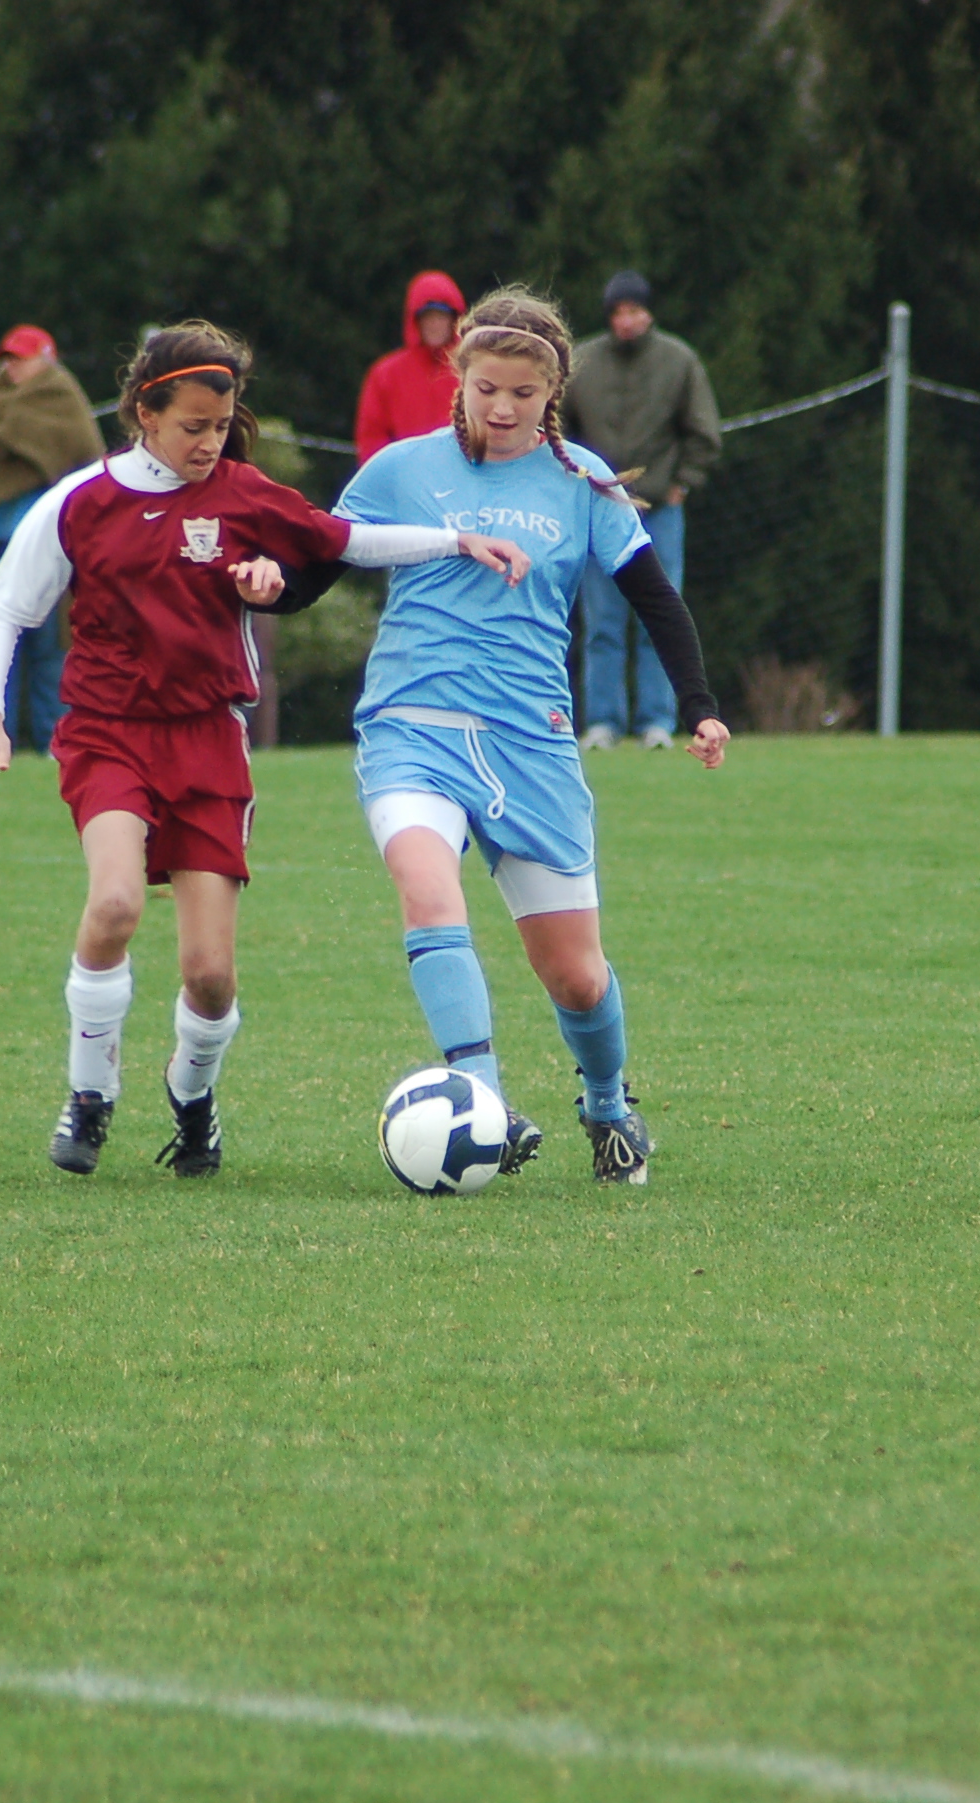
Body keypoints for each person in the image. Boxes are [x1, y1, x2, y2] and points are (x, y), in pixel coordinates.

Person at [0, 320, 527, 1179]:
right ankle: (89, 1095)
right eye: (193, 426)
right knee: (114, 904)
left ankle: (192, 1099)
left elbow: (345, 539)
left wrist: (454, 542)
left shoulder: (240, 493)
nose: (209, 443)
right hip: (109, 732)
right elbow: (7, 611)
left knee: (211, 976)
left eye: (221, 427)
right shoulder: (81, 502)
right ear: (145, 414)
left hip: (207, 741)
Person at [310, 285, 728, 1185]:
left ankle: (608, 1105)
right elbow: (324, 556)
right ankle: (487, 1109)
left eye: (523, 394)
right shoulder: (400, 469)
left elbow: (655, 599)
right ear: (459, 378)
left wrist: (698, 704)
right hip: (412, 726)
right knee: (429, 894)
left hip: (531, 744)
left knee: (577, 977)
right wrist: (266, 576)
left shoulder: (584, 482)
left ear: (554, 393)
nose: (501, 409)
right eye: (485, 389)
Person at [563, 271, 721, 750]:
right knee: (601, 623)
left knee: (661, 615)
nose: (626, 320)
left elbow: (703, 432)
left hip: (659, 510)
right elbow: (560, 428)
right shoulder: (583, 362)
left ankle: (657, 721)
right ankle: (602, 723)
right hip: (600, 507)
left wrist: (681, 484)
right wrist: (578, 483)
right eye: (617, 312)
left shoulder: (679, 360)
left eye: (634, 310)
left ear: (648, 312)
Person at [0, 324, 104, 753]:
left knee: (51, 643)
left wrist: (14, 434)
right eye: (7, 359)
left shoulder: (65, 400)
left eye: (21, 358)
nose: (12, 367)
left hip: (50, 546)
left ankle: (57, 739)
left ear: (46, 358)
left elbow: (84, 462)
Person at [353, 270, 466, 462]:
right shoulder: (385, 374)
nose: (434, 324)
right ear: (415, 321)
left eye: (441, 316)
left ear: (454, 320)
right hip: (403, 473)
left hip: (461, 469)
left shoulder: (469, 369)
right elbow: (371, 436)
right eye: (427, 317)